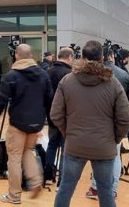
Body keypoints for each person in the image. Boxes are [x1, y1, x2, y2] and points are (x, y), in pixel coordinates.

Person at [51, 40, 129, 207]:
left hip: (75, 144)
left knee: (65, 188)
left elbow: (55, 114)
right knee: (106, 191)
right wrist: (114, 138)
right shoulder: (113, 83)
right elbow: (125, 118)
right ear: (102, 58)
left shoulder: (68, 81)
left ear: (82, 57)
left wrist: (69, 133)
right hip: (104, 146)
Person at [0, 44, 51, 204]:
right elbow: (49, 100)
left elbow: (1, 99)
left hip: (17, 124)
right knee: (27, 151)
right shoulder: (43, 75)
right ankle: (36, 181)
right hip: (36, 123)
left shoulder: (12, 75)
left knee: (15, 158)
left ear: (17, 56)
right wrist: (46, 121)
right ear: (32, 56)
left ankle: (14, 195)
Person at [86, 45, 129, 199]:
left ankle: (96, 188)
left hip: (95, 121)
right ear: (111, 56)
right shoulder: (122, 74)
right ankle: (111, 190)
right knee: (114, 156)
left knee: (97, 156)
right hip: (115, 122)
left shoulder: (91, 74)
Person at [44, 47, 74, 184]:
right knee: (65, 149)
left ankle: (48, 176)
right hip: (66, 118)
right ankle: (62, 180)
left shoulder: (48, 72)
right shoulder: (71, 74)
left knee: (51, 145)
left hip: (51, 116)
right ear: (69, 58)